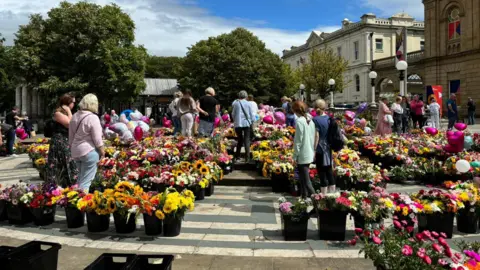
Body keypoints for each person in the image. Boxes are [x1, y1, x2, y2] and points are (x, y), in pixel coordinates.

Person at [69, 94, 104, 191]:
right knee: (86, 182)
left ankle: (75, 201)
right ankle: (82, 203)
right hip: (89, 151)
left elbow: (71, 137)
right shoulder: (93, 117)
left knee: (80, 180)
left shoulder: (75, 116)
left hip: (76, 151)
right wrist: (102, 151)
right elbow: (97, 139)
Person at [46, 94, 78, 187]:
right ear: (68, 103)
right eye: (73, 102)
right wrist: (68, 111)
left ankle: (68, 185)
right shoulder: (58, 113)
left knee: (68, 162)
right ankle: (57, 186)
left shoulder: (64, 113)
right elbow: (70, 124)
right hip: (60, 141)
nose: (74, 105)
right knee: (61, 162)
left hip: (65, 141)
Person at [292, 101, 316, 199]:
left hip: (303, 153)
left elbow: (298, 140)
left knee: (306, 180)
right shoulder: (310, 120)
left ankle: (317, 200)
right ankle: (304, 197)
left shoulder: (300, 121)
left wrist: (294, 156)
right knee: (303, 178)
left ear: (295, 110)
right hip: (309, 151)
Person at [313, 99, 334, 194]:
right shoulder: (329, 119)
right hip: (328, 148)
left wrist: (314, 150)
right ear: (324, 107)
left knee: (321, 172)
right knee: (329, 170)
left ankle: (323, 196)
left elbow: (316, 136)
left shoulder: (315, 119)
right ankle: (332, 195)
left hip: (320, 148)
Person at [232, 90, 255, 163]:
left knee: (239, 140)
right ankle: (247, 158)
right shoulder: (248, 104)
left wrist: (235, 121)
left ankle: (237, 156)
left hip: (238, 124)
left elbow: (233, 114)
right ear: (246, 96)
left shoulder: (236, 103)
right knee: (247, 140)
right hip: (246, 124)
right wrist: (252, 121)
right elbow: (252, 115)